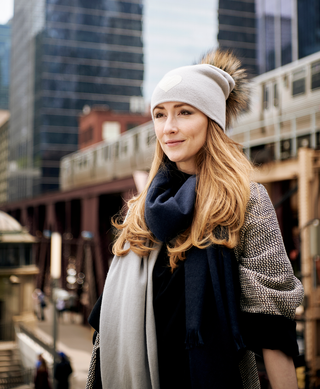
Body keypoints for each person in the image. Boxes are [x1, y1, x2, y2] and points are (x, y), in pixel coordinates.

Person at [86, 49, 304, 389]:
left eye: (184, 112)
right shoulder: (141, 211)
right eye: (160, 115)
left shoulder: (246, 200)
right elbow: (107, 327)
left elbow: (272, 319)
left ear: (211, 120)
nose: (169, 128)